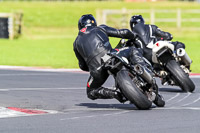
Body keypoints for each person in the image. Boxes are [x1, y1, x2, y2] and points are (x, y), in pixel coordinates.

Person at [73, 14, 148, 103]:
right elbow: (122, 33)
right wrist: (134, 36)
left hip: (97, 71)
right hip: (111, 56)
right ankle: (144, 69)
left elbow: (82, 66)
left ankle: (115, 94)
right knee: (132, 50)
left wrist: (92, 66)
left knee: (91, 92)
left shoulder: (76, 43)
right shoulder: (100, 28)